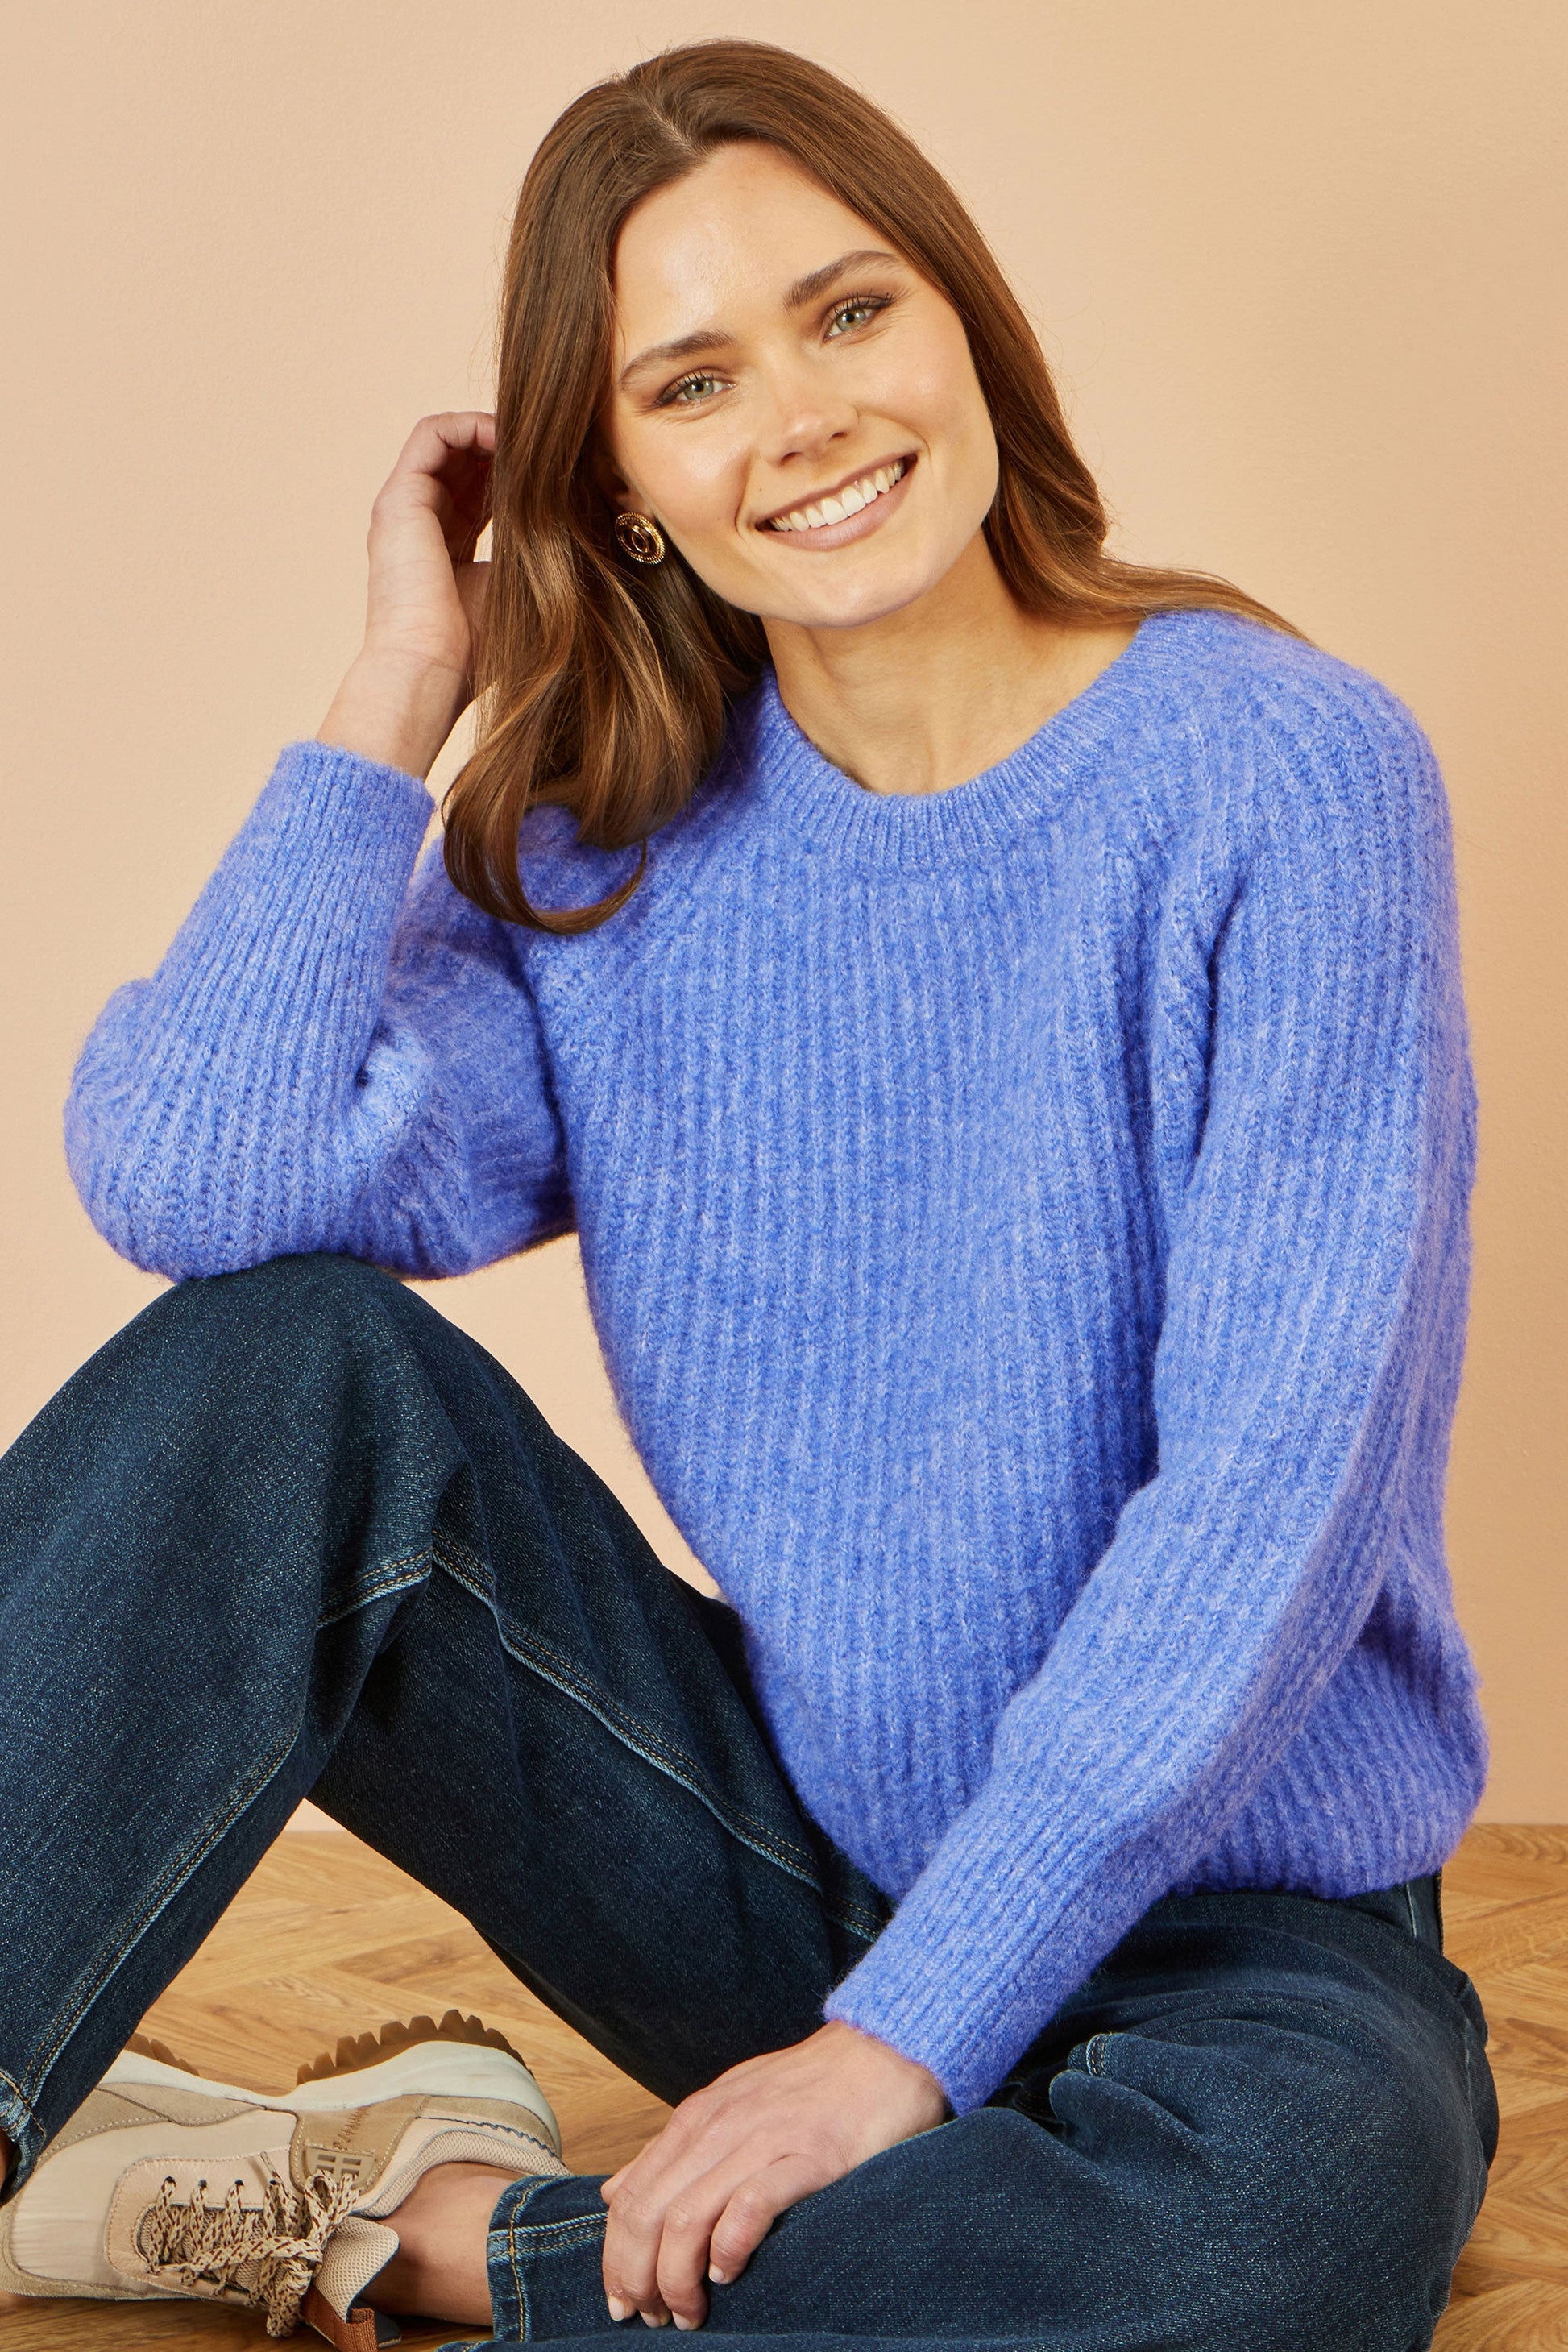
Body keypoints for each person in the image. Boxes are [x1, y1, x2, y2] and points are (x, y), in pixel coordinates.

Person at [0, 35, 1497, 2352]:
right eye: (688, 383)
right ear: (617, 492)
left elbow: (1271, 1499)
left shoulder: (1276, 778)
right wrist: (402, 684)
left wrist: (900, 2048)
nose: (797, 416)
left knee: (1254, 2251)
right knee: (285, 1368)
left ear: (964, 328)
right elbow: (203, 1185)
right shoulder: (606, 856)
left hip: (1244, 1944)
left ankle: (390, 2224)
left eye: (848, 311)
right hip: (782, 1867)